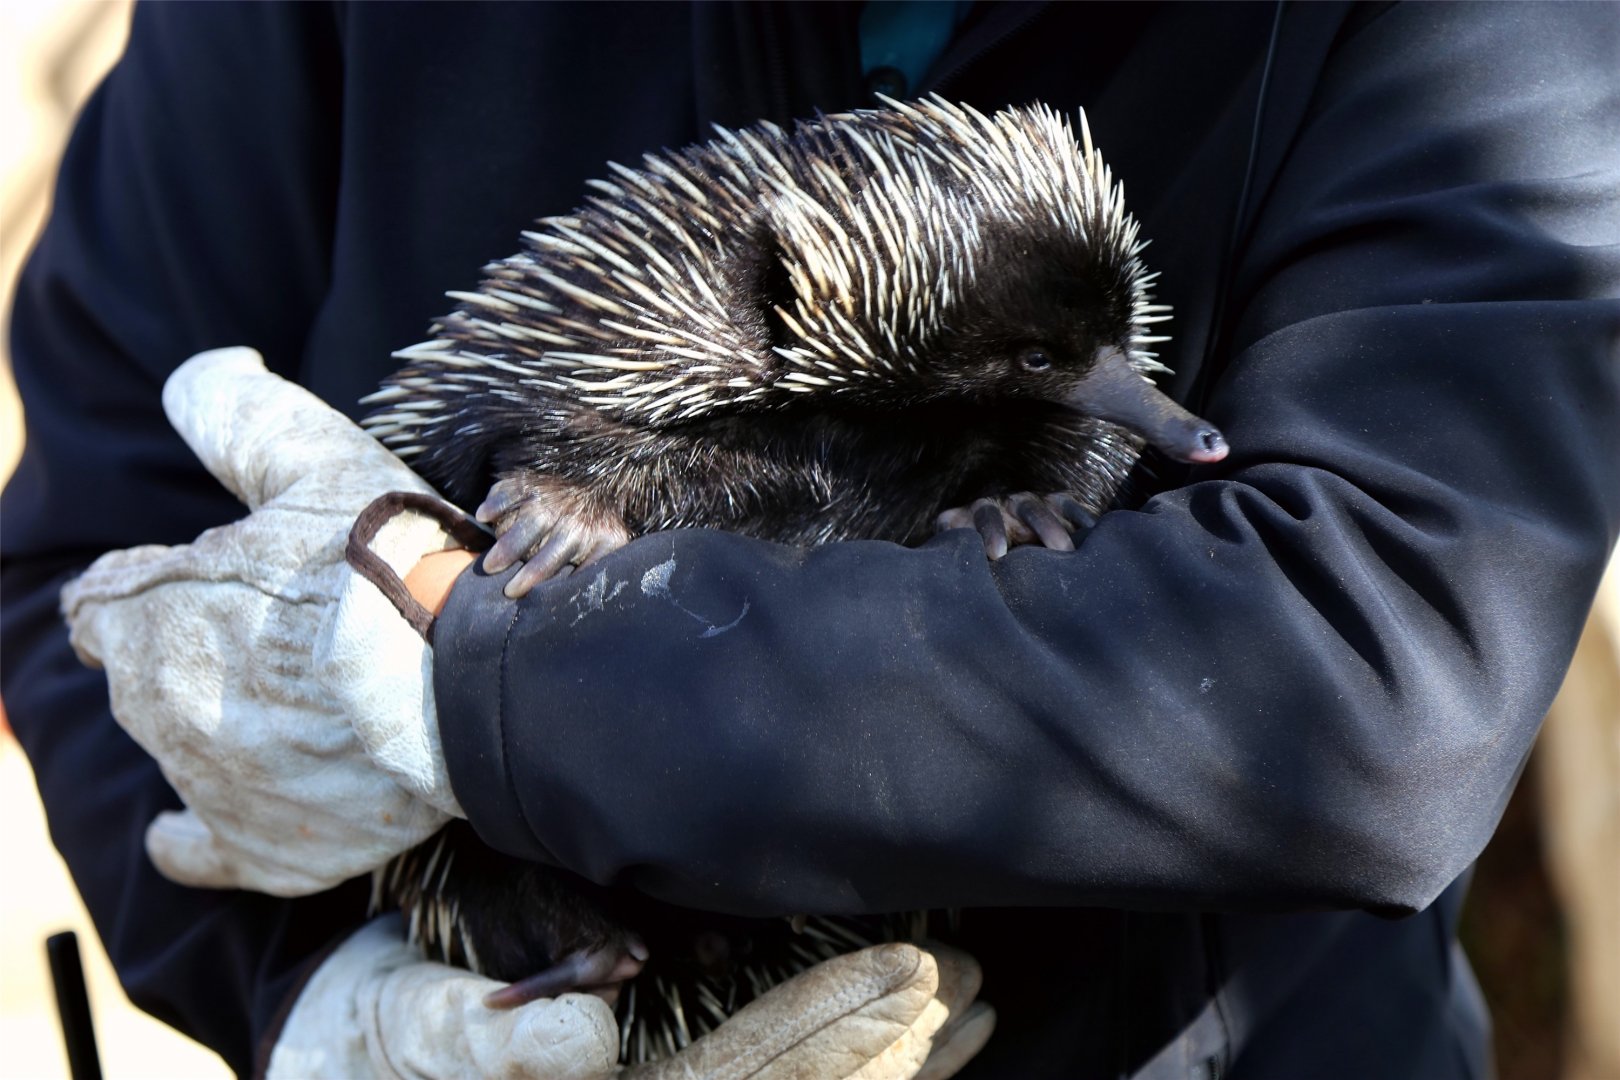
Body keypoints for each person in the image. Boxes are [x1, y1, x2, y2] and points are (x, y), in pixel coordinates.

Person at [4, 2, 1617, 1077]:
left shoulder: (1463, 37)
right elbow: (84, 551)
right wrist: (301, 1007)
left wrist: (478, 679)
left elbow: (1367, 670)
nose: (1152, 413)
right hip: (545, 939)